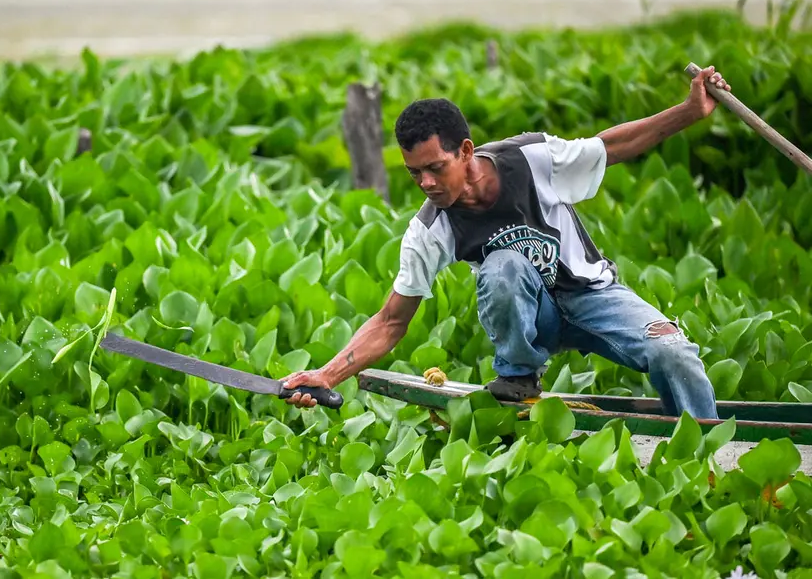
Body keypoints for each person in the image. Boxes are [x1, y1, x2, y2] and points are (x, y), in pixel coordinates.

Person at [281, 66, 732, 420]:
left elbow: (611, 145)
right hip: (533, 316)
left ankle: (709, 447)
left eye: (436, 167)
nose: (426, 182)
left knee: (672, 353)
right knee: (504, 267)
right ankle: (518, 376)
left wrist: (690, 111)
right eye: (414, 172)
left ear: (465, 151)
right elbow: (391, 321)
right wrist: (327, 374)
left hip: (595, 296)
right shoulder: (430, 228)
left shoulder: (532, 160)